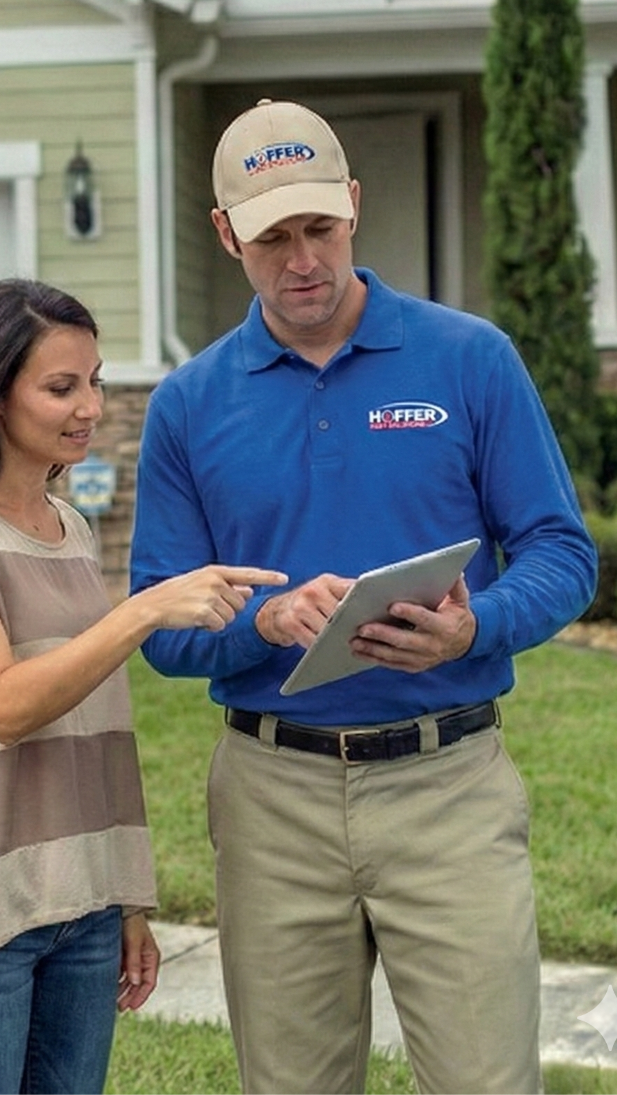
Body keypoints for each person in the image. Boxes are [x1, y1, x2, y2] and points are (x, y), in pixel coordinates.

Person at [130, 98, 599, 1095]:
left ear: (352, 205)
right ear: (225, 236)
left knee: (487, 1081)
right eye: (271, 238)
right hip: (271, 801)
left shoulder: (468, 360)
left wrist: (477, 626)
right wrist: (260, 622)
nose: (302, 259)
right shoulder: (187, 404)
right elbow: (160, 628)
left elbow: (561, 551)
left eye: (319, 228)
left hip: (450, 787)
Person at [0, 277, 285, 1095]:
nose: (89, 404)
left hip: (80, 908)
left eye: (93, 380)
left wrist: (124, 899)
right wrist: (144, 612)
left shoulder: (71, 528)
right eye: (62, 387)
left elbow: (97, 727)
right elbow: (4, 703)